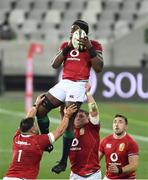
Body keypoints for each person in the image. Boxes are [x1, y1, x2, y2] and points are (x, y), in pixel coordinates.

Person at [36, 19, 104, 173]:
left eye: (75, 28)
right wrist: (67, 48)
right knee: (40, 109)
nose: (71, 30)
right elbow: (54, 64)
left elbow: (98, 67)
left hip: (79, 84)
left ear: (83, 32)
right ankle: (47, 140)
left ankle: (63, 161)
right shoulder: (66, 45)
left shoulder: (95, 45)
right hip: (64, 82)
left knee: (68, 119)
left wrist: (89, 47)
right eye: (71, 28)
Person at [3, 95, 77, 180]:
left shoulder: (17, 137)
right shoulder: (38, 141)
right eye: (35, 126)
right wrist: (67, 116)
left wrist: (36, 105)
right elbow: (59, 131)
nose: (36, 126)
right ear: (32, 130)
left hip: (8, 177)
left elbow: (28, 119)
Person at [69, 83, 101, 180]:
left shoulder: (92, 127)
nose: (78, 118)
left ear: (88, 119)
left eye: (81, 116)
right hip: (75, 174)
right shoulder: (69, 129)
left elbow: (94, 111)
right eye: (76, 116)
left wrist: (88, 93)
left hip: (92, 175)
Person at [99, 114, 139, 179]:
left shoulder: (131, 143)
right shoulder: (105, 141)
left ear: (126, 126)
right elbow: (95, 159)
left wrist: (119, 170)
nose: (116, 124)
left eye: (120, 122)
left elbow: (133, 165)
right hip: (108, 177)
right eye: (115, 122)